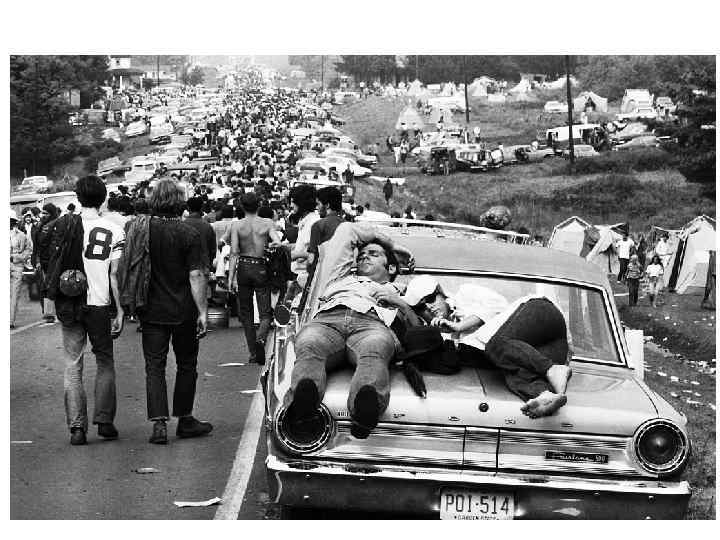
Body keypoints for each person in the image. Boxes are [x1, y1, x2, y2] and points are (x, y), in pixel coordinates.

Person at [283, 222, 414, 439]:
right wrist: (391, 244)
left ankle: (364, 412)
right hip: (327, 320)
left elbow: (421, 324)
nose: (364, 257)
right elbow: (346, 230)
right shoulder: (337, 277)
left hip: (371, 324)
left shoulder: (402, 291)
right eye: (361, 255)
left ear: (391, 269)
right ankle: (303, 409)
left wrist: (399, 302)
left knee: (376, 348)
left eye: (373, 254)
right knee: (309, 342)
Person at [120, 179, 212, 445]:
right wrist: (203, 311)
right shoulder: (189, 233)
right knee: (187, 364)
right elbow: (196, 275)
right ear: (179, 202)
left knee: (154, 366)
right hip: (183, 310)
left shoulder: (141, 229)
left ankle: (159, 423)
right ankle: (185, 418)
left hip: (151, 309)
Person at [402, 275, 572, 418]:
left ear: (441, 292)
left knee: (495, 346)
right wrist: (449, 336)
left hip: (541, 314)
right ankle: (546, 395)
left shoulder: (465, 293)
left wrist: (460, 326)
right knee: (510, 373)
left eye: (430, 299)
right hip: (545, 348)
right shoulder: (442, 342)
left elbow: (498, 305)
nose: (429, 307)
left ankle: (552, 370)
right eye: (421, 307)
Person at [45, 176, 125, 445]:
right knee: (105, 361)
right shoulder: (114, 230)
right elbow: (115, 275)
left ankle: (77, 427)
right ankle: (105, 420)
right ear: (103, 199)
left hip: (70, 301)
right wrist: (120, 310)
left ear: (78, 198)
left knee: (72, 364)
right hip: (99, 303)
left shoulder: (64, 225)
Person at [224, 192, 282, 365]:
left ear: (242, 206)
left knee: (246, 313)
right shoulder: (267, 223)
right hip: (260, 266)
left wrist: (230, 278)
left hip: (243, 266)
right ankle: (261, 338)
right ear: (259, 205)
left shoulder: (236, 225)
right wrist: (270, 245)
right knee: (265, 312)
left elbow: (234, 252)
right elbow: (277, 242)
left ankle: (253, 353)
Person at [32, 203, 61, 322]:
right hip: (42, 261)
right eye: (42, 212)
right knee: (44, 287)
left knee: (50, 286)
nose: (43, 215)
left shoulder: (55, 224)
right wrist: (36, 260)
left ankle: (51, 313)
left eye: (46, 213)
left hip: (52, 261)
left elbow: (49, 243)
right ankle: (48, 312)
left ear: (52, 214)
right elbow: (36, 245)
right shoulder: (41, 225)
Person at [10, 210, 32, 329]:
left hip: (16, 266)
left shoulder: (21, 235)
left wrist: (16, 257)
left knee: (14, 294)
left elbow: (28, 251)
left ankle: (10, 321)